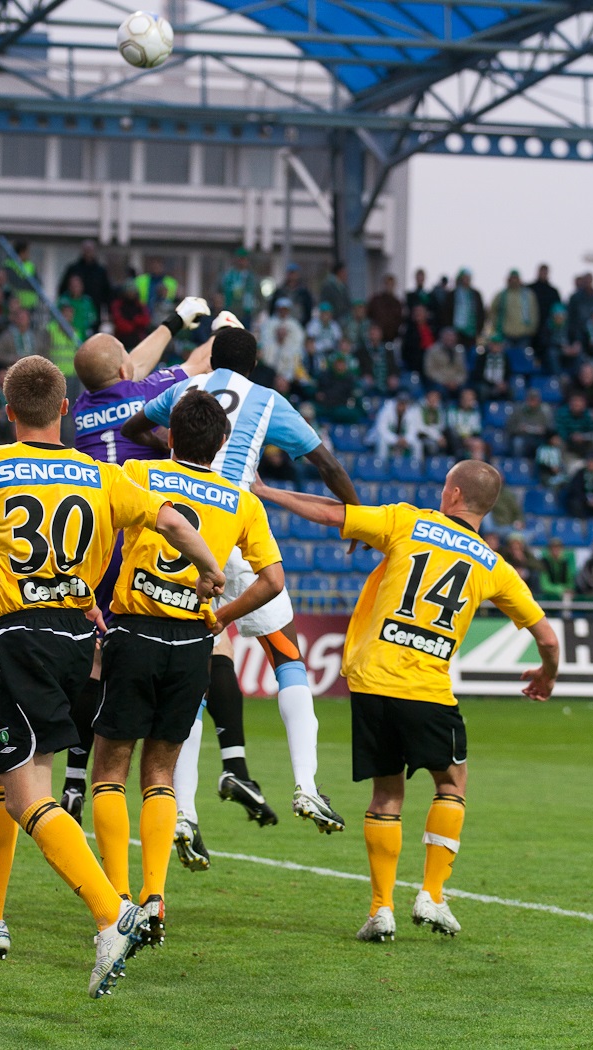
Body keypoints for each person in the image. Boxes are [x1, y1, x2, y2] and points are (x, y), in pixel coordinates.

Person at [0, 355, 224, 998]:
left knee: (25, 794)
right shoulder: (101, 474)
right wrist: (209, 568)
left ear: (9, 412)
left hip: (24, 637)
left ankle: (112, 915)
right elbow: (172, 521)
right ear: (63, 409)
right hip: (77, 639)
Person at [252, 459, 558, 942]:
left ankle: (381, 909)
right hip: (427, 689)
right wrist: (546, 675)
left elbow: (330, 513)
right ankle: (432, 895)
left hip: (371, 682)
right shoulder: (494, 565)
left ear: (454, 494)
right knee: (452, 782)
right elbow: (548, 638)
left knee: (387, 795)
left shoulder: (407, 522)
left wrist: (267, 492)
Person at [122, 323, 359, 842]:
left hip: (178, 534)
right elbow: (326, 464)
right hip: (234, 524)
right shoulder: (268, 400)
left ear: (212, 361)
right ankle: (306, 785)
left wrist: (165, 455)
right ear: (253, 366)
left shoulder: (187, 389)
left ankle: (184, 811)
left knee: (193, 677)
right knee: (287, 658)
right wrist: (356, 515)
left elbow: (134, 427)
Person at [91, 390, 284, 943]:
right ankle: (154, 901)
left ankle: (117, 902)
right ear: (222, 442)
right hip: (192, 644)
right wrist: (222, 617)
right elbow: (272, 581)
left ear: (171, 437)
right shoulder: (243, 502)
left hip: (135, 632)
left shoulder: (138, 473)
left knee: (110, 768)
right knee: (161, 772)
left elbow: (100, 530)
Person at [58, 297, 212, 821]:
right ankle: (175, 789)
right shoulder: (147, 392)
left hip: (94, 549)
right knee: (144, 659)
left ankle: (73, 779)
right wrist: (223, 328)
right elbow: (200, 362)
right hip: (140, 542)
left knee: (96, 663)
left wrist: (173, 320)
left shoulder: (83, 407)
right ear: (126, 372)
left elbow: (127, 363)